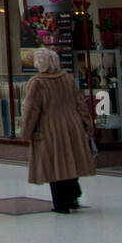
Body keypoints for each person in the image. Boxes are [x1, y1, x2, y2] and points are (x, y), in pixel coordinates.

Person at [19, 46, 97, 213]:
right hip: (72, 125)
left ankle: (61, 204)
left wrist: (26, 132)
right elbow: (79, 102)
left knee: (54, 165)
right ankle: (73, 195)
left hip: (49, 127)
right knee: (70, 161)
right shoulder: (67, 78)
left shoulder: (37, 83)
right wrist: (87, 124)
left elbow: (32, 111)